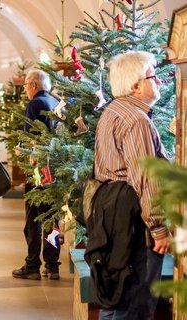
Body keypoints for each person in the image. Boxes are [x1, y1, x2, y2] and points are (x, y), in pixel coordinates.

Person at [85, 51, 170, 319]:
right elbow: (145, 178)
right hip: (132, 220)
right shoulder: (136, 120)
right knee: (134, 300)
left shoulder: (113, 111)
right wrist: (158, 228)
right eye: (153, 77)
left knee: (116, 294)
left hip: (110, 213)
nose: (158, 82)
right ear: (136, 85)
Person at [12, 69, 60, 281]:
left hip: (38, 169)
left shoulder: (35, 104)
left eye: (25, 86)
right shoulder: (53, 101)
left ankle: (32, 264)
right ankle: (52, 265)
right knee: (51, 217)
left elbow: (30, 136)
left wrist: (21, 150)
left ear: (33, 85)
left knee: (33, 217)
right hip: (54, 168)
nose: (25, 90)